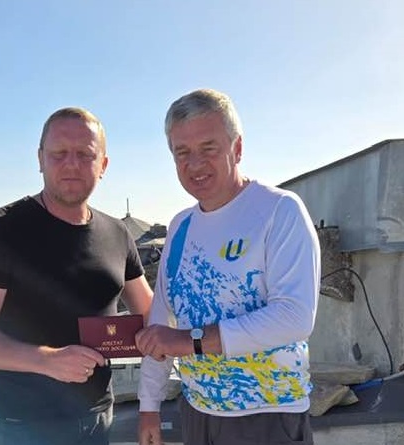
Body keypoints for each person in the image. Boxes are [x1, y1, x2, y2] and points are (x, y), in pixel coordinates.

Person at [0, 107, 153, 445]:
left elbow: (150, 313)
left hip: (98, 419)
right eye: (59, 153)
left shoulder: (117, 234)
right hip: (23, 427)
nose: (71, 164)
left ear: (103, 164)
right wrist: (47, 360)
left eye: (85, 154)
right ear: (40, 159)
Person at [136, 89, 321, 445]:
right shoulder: (180, 226)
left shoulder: (279, 210)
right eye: (182, 152)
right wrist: (149, 406)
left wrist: (189, 342)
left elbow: (295, 317)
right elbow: (163, 319)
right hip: (197, 411)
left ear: (237, 149)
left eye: (209, 148)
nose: (195, 164)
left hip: (268, 416)